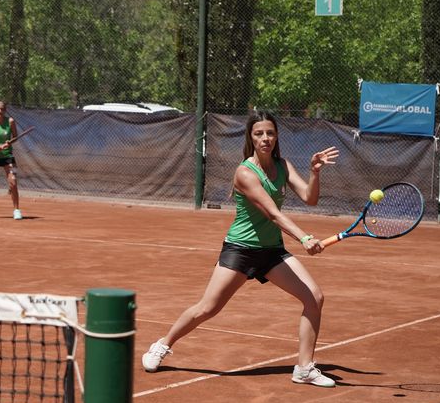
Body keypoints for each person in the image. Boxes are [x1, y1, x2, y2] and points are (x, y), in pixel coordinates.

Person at [141, 110, 340, 387]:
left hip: (272, 251)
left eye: (270, 133)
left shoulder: (283, 166)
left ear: (276, 136)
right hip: (241, 249)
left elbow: (310, 198)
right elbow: (272, 213)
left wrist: (314, 173)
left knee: (314, 298)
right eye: (259, 133)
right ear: (251, 137)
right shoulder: (245, 172)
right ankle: (162, 344)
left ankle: (304, 368)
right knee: (207, 308)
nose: (265, 138)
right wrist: (304, 237)